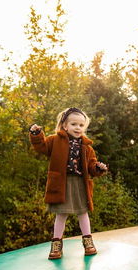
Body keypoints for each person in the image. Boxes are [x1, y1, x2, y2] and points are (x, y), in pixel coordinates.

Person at [29, 107, 108, 260]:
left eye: (81, 125)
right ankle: (56, 245)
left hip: (80, 184)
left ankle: (88, 242)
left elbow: (91, 166)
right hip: (61, 184)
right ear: (65, 125)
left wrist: (98, 167)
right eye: (73, 124)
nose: (77, 128)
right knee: (61, 214)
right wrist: (36, 134)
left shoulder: (87, 147)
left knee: (83, 212)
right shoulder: (54, 140)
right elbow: (41, 147)